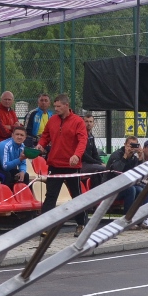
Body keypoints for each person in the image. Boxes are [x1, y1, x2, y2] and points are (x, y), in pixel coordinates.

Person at [36, 94, 88, 236]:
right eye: (55, 106)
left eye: (59, 106)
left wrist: (77, 155)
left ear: (66, 105)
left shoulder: (78, 122)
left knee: (76, 195)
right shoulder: (52, 120)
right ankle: (45, 226)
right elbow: (45, 136)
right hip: (54, 164)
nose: (56, 109)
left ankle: (82, 224)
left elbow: (83, 141)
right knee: (51, 195)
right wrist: (40, 145)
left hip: (72, 166)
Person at [106, 136, 145, 226]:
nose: (131, 148)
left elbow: (138, 174)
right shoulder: (117, 155)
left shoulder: (133, 158)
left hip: (125, 186)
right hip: (112, 187)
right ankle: (126, 220)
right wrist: (125, 157)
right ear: (125, 145)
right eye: (130, 145)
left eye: (134, 145)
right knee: (131, 190)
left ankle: (139, 219)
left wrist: (140, 159)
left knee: (141, 190)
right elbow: (117, 171)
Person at [81, 113, 108, 183]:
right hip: (82, 164)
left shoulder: (91, 136)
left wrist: (101, 162)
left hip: (91, 164)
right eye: (86, 121)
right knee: (103, 168)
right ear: (82, 122)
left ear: (93, 123)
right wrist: (99, 163)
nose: (88, 124)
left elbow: (95, 153)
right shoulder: (80, 135)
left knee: (107, 167)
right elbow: (84, 155)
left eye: (90, 121)